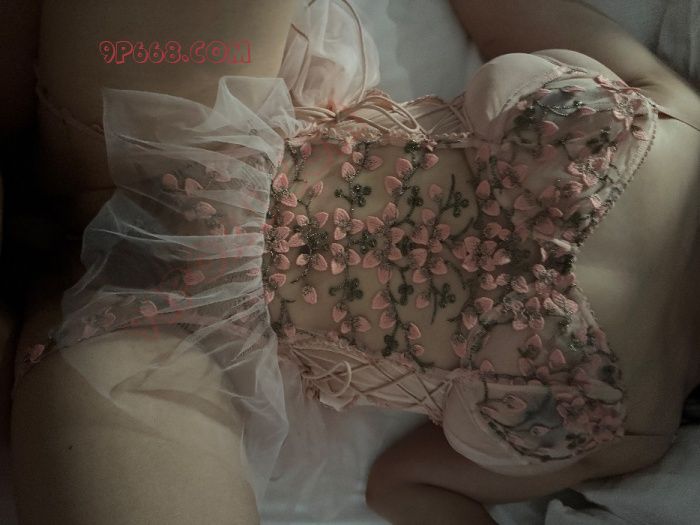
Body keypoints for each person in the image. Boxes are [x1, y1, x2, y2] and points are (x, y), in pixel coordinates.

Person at [8, 1, 700, 524]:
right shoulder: (632, 434)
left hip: (185, 346)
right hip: (217, 136)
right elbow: (403, 486)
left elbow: (401, 485)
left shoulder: (636, 438)